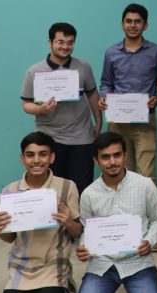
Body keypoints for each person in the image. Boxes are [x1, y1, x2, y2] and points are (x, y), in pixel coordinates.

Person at [74, 132, 157, 293]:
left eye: (117, 155)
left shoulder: (144, 185)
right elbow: (86, 230)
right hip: (102, 263)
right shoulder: (89, 194)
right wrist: (83, 247)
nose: (112, 162)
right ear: (96, 160)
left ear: (125, 156)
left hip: (138, 261)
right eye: (105, 157)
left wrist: (149, 241)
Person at [0, 131, 82, 293]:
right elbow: (10, 238)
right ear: (22, 158)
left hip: (53, 265)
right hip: (21, 265)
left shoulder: (67, 187)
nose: (37, 160)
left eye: (43, 154)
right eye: (30, 155)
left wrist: (67, 220)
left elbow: (77, 232)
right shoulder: (10, 191)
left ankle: (64, 286)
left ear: (52, 157)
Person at [21, 22, 102, 194]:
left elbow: (92, 94)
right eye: (60, 42)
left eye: (70, 43)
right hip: (50, 137)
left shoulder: (83, 67)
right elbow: (26, 105)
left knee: (82, 186)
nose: (65, 47)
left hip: (81, 136)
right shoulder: (34, 71)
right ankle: (56, 220)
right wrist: (41, 109)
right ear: (50, 42)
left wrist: (99, 121)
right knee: (53, 186)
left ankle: (78, 221)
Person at [99, 3, 157, 185]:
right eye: (128, 21)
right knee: (119, 172)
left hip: (145, 121)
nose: (133, 25)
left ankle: (151, 214)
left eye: (137, 22)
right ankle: (122, 214)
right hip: (117, 122)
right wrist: (104, 97)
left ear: (145, 25)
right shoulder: (111, 53)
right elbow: (106, 83)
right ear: (122, 24)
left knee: (147, 174)